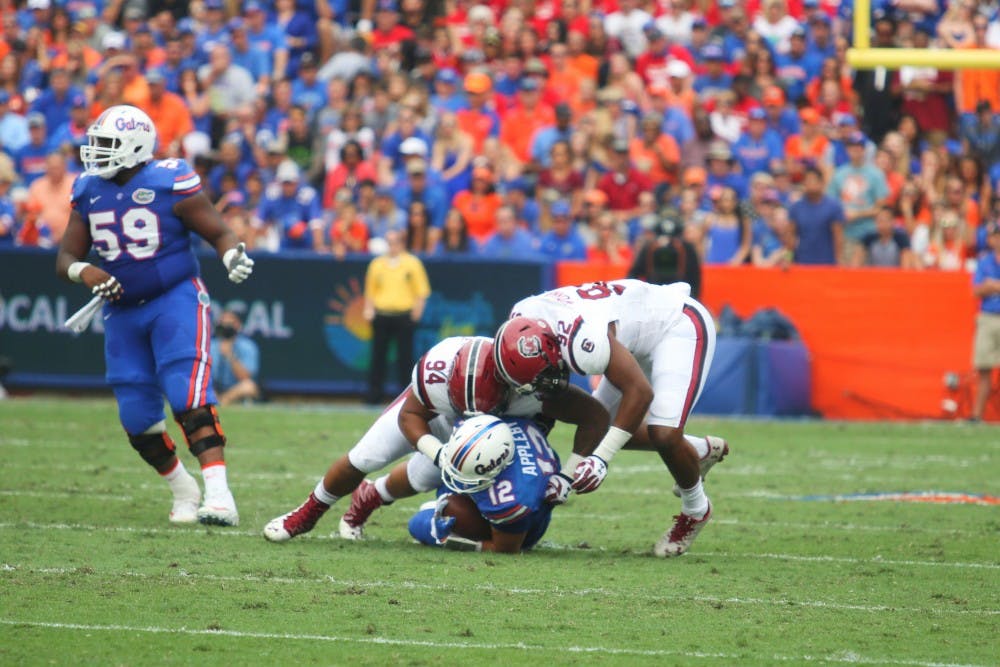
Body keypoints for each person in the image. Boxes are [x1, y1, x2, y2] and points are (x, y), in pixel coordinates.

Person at [55, 105, 254, 526]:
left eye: (107, 145)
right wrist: (86, 271)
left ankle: (220, 496)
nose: (96, 153)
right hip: (122, 312)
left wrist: (231, 252)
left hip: (174, 299)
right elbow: (66, 257)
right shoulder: (89, 188)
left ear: (135, 146)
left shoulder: (169, 180)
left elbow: (218, 231)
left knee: (188, 397)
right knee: (136, 417)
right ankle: (184, 489)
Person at [263, 336, 609, 542]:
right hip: (441, 414)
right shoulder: (437, 372)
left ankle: (374, 494)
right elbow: (409, 416)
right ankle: (309, 511)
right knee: (365, 457)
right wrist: (439, 452)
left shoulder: (528, 385)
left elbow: (595, 416)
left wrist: (568, 473)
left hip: (501, 427)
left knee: (425, 476)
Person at [495, 282, 729, 557]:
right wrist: (566, 476)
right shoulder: (521, 319)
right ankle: (697, 451)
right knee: (603, 430)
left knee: (664, 433)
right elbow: (596, 421)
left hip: (676, 325)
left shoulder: (581, 341)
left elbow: (640, 393)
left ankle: (696, 509)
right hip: (632, 331)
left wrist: (600, 460)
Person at [407, 415, 559, 553]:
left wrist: (460, 543)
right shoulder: (486, 426)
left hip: (525, 526)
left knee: (419, 524)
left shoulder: (513, 499)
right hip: (515, 479)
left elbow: (504, 550)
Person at [362, 229, 431, 405]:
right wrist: (368, 309)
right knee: (378, 357)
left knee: (405, 358)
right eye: (389, 242)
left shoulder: (412, 263)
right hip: (382, 314)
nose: (392, 246)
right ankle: (374, 396)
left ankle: (406, 398)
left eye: (395, 242)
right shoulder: (377, 264)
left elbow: (421, 292)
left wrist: (416, 315)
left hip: (403, 316)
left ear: (402, 243)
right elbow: (370, 291)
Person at [971, 221, 1000, 422]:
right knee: (984, 369)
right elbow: (976, 291)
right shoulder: (984, 262)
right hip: (988, 317)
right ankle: (976, 415)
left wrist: (993, 285)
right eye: (995, 236)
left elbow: (985, 287)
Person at [210, 308, 261, 406]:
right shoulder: (210, 345)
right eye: (223, 324)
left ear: (238, 325)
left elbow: (246, 377)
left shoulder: (248, 346)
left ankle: (222, 401)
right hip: (215, 388)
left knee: (249, 386)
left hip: (236, 389)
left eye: (229, 324)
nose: (226, 327)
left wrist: (230, 356)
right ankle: (217, 401)